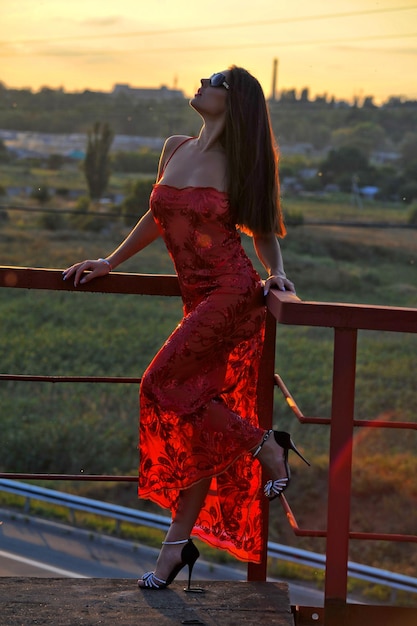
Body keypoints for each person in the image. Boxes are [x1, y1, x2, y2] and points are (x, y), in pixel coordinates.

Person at [63, 66, 309, 591]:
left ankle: (266, 446)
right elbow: (158, 216)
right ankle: (175, 546)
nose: (202, 81)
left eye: (215, 78)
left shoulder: (240, 163)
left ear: (235, 99)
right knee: (195, 419)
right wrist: (111, 261)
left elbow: (263, 231)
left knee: (158, 385)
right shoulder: (175, 147)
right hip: (195, 301)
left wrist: (277, 274)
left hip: (230, 294)